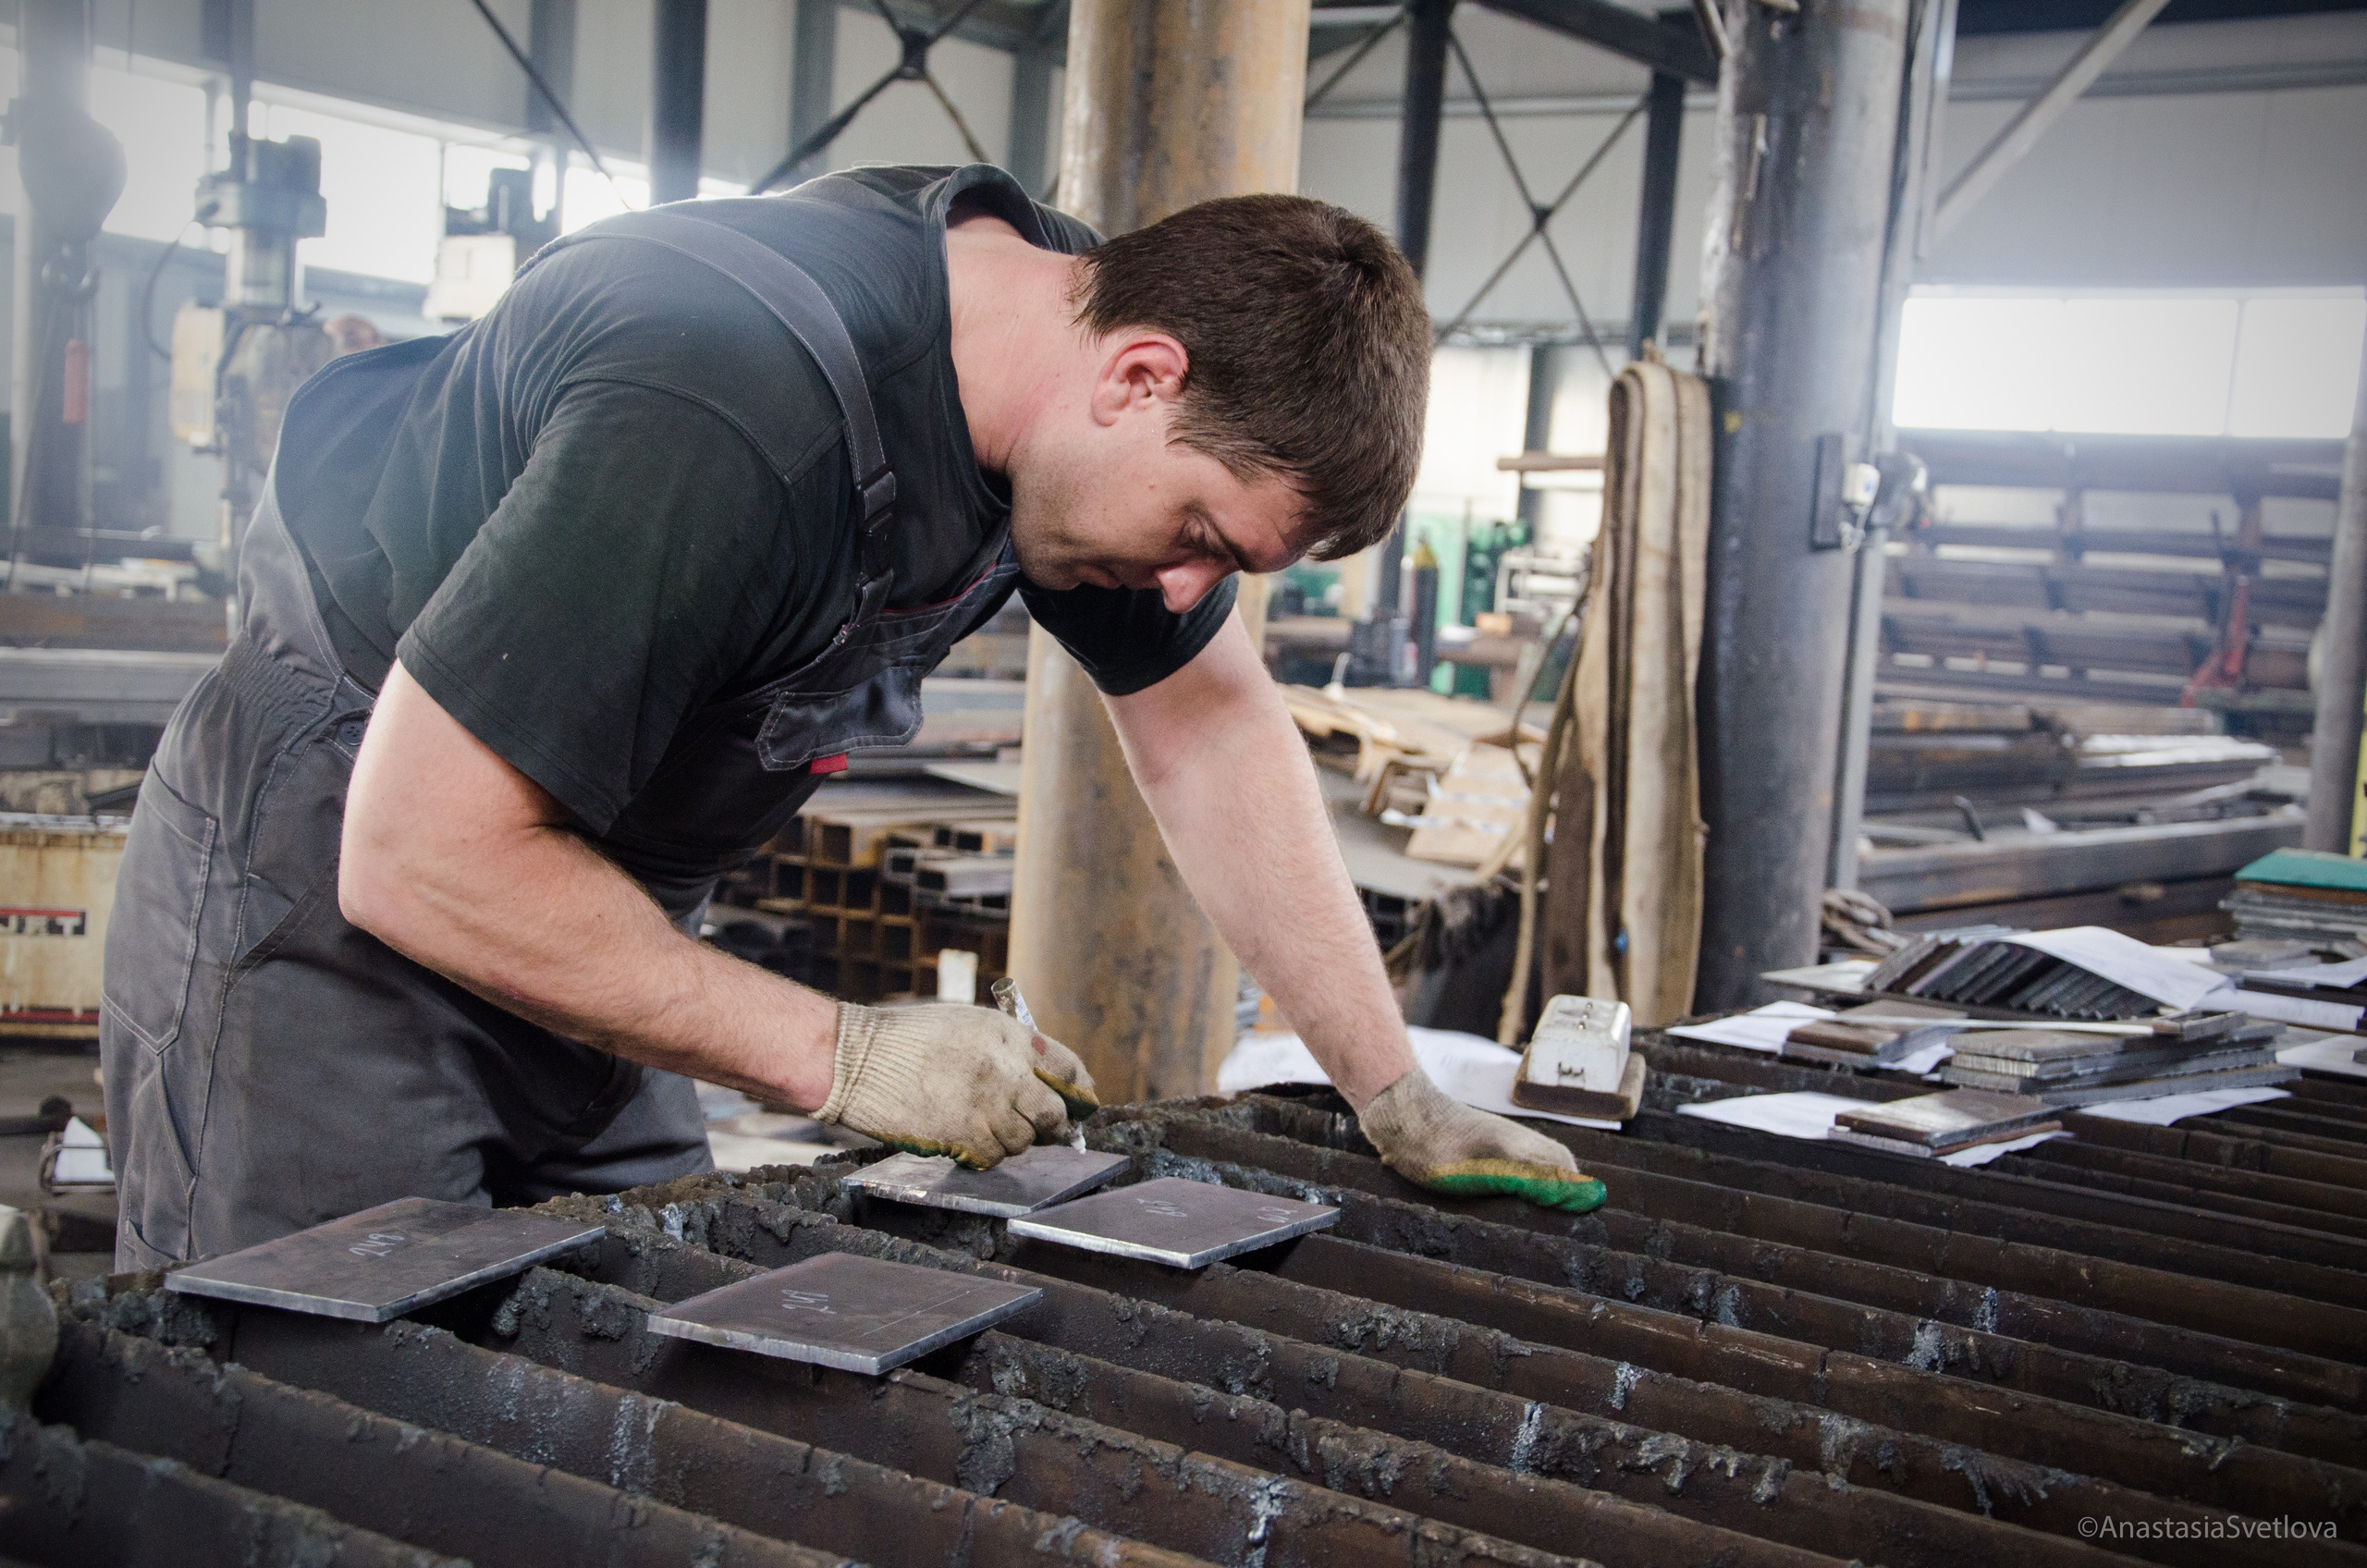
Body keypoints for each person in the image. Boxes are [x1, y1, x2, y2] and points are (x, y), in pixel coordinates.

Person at [101, 165, 1604, 1269]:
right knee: (321, 1399)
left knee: (644, 1340)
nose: (1185, 583)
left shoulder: (1075, 376)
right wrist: (847, 1054)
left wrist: (1392, 1088)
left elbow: (1209, 723)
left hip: (581, 898)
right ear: (1142, 376)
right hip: (331, 884)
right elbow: (418, 854)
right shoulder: (727, 404)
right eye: (1201, 532)